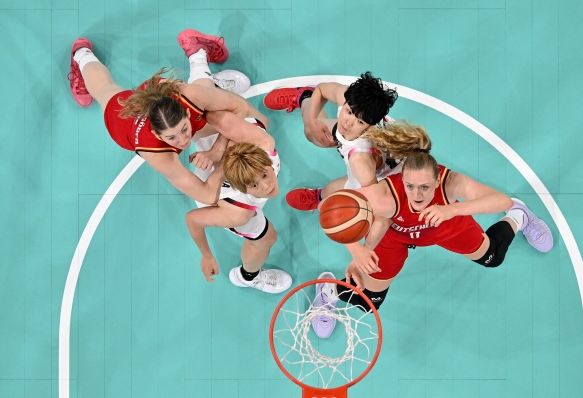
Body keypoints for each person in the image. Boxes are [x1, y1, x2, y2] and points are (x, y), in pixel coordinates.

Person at [312, 121, 553, 336]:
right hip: (393, 236)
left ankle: (519, 217)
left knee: (492, 258)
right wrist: (359, 252)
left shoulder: (451, 183)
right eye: (410, 186)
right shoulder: (385, 195)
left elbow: (501, 201)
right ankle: (328, 290)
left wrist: (452, 210)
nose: (417, 195)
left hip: (444, 225)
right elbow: (328, 210)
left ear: (437, 180)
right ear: (402, 179)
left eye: (425, 187)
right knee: (369, 301)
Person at [67, 29, 254, 205]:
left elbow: (239, 108)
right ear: (158, 135)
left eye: (182, 131)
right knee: (104, 91)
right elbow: (207, 195)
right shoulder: (158, 155)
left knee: (210, 112)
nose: (183, 141)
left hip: (155, 93)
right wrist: (222, 159)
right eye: (171, 138)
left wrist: (218, 149)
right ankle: (81, 54)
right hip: (122, 119)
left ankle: (200, 57)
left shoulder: (174, 94)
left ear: (184, 112)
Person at [180, 34, 291, 294]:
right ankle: (247, 277)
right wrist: (206, 254)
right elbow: (193, 219)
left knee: (255, 117)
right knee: (267, 238)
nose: (267, 186)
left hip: (219, 153)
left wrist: (218, 147)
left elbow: (218, 114)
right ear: (244, 187)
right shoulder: (238, 211)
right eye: (255, 184)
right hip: (215, 192)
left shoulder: (263, 143)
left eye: (264, 174)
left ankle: (200, 61)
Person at [263, 73, 401, 211]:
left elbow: (374, 199)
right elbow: (322, 89)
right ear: (347, 101)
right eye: (348, 111)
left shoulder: (360, 162)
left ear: (369, 126)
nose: (348, 122)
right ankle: (304, 96)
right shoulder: (353, 100)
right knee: (311, 132)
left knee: (337, 192)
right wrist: (312, 120)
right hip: (371, 147)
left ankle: (319, 198)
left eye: (360, 121)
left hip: (389, 174)